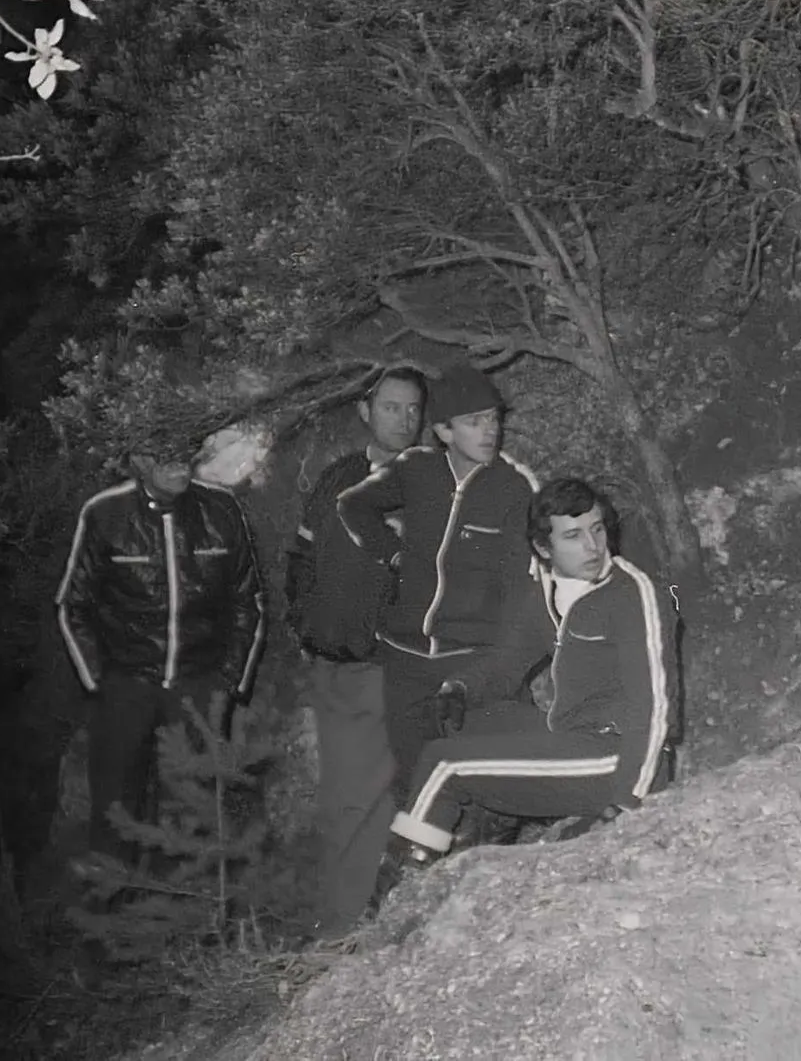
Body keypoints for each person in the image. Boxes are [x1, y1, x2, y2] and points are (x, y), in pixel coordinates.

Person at [387, 478, 680, 867]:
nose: (593, 546)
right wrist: (457, 688)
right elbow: (507, 664)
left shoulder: (633, 595)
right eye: (573, 536)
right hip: (571, 734)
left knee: (444, 764)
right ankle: (483, 831)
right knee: (449, 722)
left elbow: (654, 707)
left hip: (619, 756)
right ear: (544, 548)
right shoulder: (548, 592)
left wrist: (627, 804)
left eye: (597, 529)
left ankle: (406, 875)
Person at [55, 433, 267, 867]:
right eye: (164, 454)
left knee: (192, 813)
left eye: (184, 453)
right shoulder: (105, 513)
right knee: (115, 809)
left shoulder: (221, 510)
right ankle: (114, 903)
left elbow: (249, 602)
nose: (179, 464)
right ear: (138, 459)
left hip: (199, 682)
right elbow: (72, 606)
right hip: (126, 682)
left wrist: (229, 684)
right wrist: (99, 681)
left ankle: (185, 908)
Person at [336, 363, 542, 795]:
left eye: (494, 420)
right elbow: (353, 505)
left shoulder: (515, 488)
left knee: (490, 779)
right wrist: (393, 554)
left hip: (468, 657)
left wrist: (495, 668)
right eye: (474, 422)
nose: (490, 431)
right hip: (405, 657)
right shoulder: (415, 468)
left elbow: (522, 593)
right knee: (412, 782)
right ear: (444, 431)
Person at [283, 364, 426, 935]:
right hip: (332, 662)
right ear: (365, 411)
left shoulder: (430, 484)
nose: (404, 420)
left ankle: (353, 925)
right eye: (392, 407)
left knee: (371, 798)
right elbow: (302, 555)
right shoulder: (338, 476)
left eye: (413, 409)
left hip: (387, 665)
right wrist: (304, 624)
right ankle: (344, 922)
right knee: (344, 798)